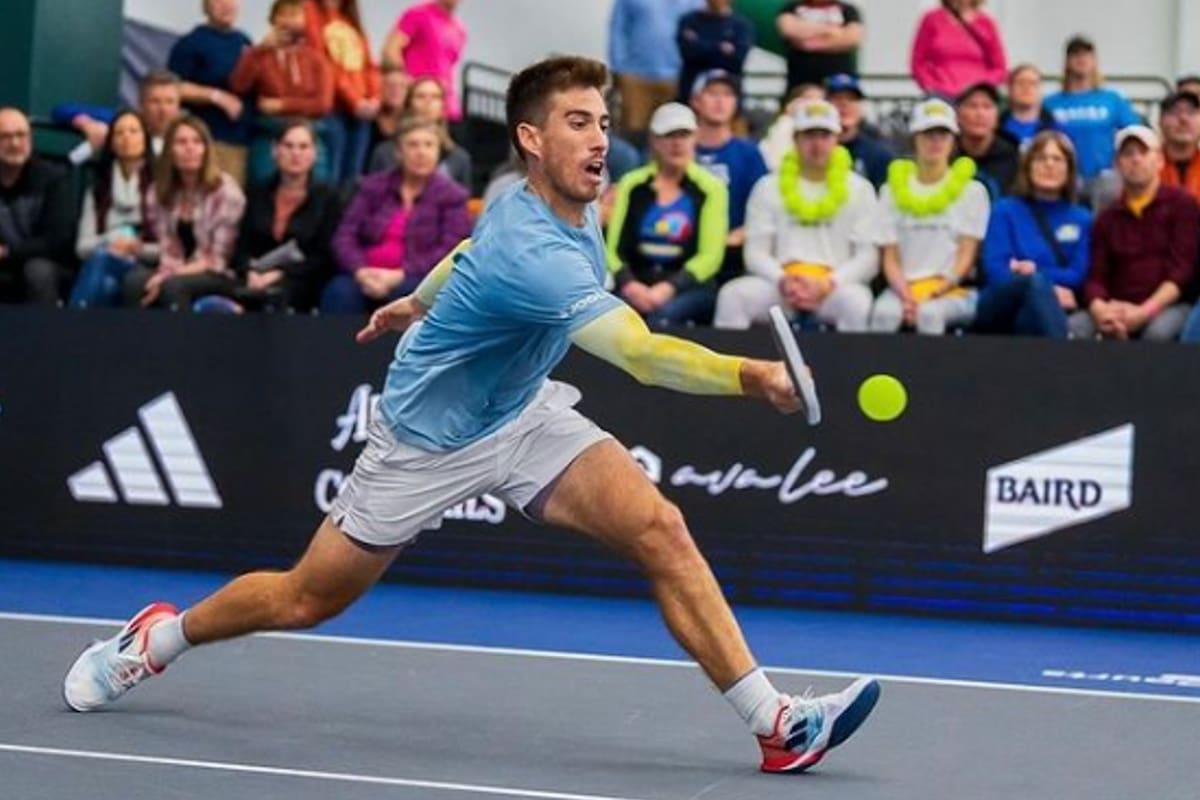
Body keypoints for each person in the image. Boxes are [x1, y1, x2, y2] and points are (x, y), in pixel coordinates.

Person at [63, 56, 880, 776]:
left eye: (603, 122)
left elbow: (466, 251)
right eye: (577, 122)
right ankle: (158, 640)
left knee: (659, 527)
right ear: (531, 138)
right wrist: (750, 375)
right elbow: (640, 355)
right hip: (425, 442)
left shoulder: (555, 202)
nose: (600, 138)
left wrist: (415, 301)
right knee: (307, 598)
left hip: (522, 412)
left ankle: (776, 725)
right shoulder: (536, 254)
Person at [714, 99, 877, 331]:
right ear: (795, 139)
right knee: (733, 296)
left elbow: (868, 257)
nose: (817, 144)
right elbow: (755, 252)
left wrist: (829, 283)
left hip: (834, 286)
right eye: (809, 135)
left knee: (857, 301)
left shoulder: (860, 189)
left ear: (837, 139)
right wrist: (783, 280)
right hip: (780, 284)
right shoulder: (768, 187)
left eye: (824, 135)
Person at [323, 117, 471, 314]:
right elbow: (345, 236)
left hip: (417, 276)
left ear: (438, 152)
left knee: (411, 294)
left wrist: (400, 275)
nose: (421, 152)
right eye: (413, 145)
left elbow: (450, 249)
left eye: (429, 145)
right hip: (365, 273)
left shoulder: (452, 196)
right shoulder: (373, 187)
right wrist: (360, 271)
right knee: (339, 292)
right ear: (399, 152)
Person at [870, 98, 990, 335]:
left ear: (953, 140)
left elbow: (966, 257)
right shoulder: (890, 191)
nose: (935, 142)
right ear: (915, 138)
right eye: (928, 134)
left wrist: (934, 293)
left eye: (942, 135)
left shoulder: (973, 191)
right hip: (902, 289)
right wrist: (907, 296)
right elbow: (890, 258)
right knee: (883, 313)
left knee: (930, 314)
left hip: (951, 290)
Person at [1070, 125, 1198, 341]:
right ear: (1117, 164)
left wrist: (1144, 312)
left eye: (1143, 152)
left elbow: (1181, 272)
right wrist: (1101, 311)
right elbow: (1095, 277)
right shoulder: (1107, 218)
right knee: (1075, 328)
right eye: (1128, 154)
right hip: (1116, 305)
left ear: (1159, 161)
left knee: (1157, 334)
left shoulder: (1183, 205)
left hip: (1168, 306)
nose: (1136, 160)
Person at [606, 102, 729, 327]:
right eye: (669, 135)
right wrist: (629, 284)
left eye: (684, 135)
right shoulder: (631, 184)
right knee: (608, 316)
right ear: (654, 140)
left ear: (695, 138)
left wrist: (668, 288)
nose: (677, 143)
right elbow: (612, 249)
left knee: (662, 318)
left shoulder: (712, 188)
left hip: (689, 286)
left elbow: (710, 257)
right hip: (636, 282)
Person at [122, 118, 247, 310]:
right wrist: (138, 250)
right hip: (175, 265)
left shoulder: (226, 192)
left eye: (197, 142)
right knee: (134, 283)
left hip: (218, 272)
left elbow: (217, 259)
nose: (190, 148)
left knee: (172, 287)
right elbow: (166, 248)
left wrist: (168, 276)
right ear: (169, 151)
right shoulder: (158, 192)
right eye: (181, 142)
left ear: (206, 149)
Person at [976, 131, 1090, 338]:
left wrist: (1037, 275)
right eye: (1041, 158)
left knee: (1033, 306)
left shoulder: (1083, 218)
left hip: (1040, 309)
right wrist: (1046, 288)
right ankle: (1063, 353)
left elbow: (1077, 274)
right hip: (1001, 303)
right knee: (1033, 284)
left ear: (1069, 169)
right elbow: (995, 269)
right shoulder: (1005, 210)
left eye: (1057, 159)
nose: (1049, 165)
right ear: (1028, 166)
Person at [231, 120, 341, 312]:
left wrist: (280, 274)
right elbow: (241, 248)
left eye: (303, 147)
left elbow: (324, 257)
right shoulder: (257, 193)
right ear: (275, 151)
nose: (295, 153)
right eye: (288, 146)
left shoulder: (328, 198)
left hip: (304, 280)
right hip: (255, 277)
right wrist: (248, 272)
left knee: (275, 296)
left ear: (314, 154)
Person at [230, 0, 335, 185]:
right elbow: (238, 86)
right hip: (269, 134)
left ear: (305, 20)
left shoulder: (317, 59)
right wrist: (259, 50)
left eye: (294, 15)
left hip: (310, 134)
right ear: (273, 20)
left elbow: (323, 104)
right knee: (262, 188)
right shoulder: (260, 55)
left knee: (317, 189)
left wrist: (282, 105)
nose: (288, 21)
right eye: (283, 15)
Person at [68, 111, 160, 309]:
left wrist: (138, 248)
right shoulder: (98, 190)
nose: (126, 137)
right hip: (104, 260)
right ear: (111, 143)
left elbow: (169, 249)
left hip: (145, 262)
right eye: (119, 133)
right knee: (107, 283)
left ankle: (72, 320)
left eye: (133, 131)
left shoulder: (161, 188)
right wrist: (111, 241)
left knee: (105, 275)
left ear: (145, 139)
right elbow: (82, 247)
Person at [690, 70, 768, 284]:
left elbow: (764, 208)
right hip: (683, 250)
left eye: (727, 94)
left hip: (732, 256)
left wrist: (741, 233)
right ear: (695, 100)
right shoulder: (676, 149)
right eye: (712, 93)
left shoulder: (750, 154)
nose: (720, 101)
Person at [168, 0, 254, 186]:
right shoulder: (190, 43)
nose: (226, 5)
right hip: (211, 143)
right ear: (206, 7)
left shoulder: (244, 41)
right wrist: (216, 97)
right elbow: (173, 88)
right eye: (219, 1)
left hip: (246, 142)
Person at [0, 108, 75, 305]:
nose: (15, 143)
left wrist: (7, 252)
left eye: (21, 135)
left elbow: (56, 239)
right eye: (5, 137)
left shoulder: (52, 178)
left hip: (46, 262)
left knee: (37, 271)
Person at [1043, 36, 1141, 185]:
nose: (1081, 59)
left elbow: (1134, 133)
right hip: (1064, 177)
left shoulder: (1112, 99)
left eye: (1086, 54)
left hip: (1104, 177)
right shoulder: (1050, 103)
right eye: (1076, 54)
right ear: (1067, 61)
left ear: (1094, 60)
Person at [304, 0, 382, 182]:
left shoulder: (350, 20)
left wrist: (375, 97)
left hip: (361, 111)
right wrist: (354, 101)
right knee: (332, 176)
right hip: (332, 108)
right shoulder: (310, 12)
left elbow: (369, 65)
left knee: (353, 178)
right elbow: (324, 64)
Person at [608, 0, 704, 142]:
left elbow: (702, 31)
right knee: (633, 135)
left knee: (672, 134)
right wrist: (620, 69)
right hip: (636, 77)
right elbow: (618, 29)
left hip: (678, 79)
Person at [367, 76, 472, 188]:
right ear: (409, 104)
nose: (428, 101)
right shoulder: (385, 152)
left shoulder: (458, 158)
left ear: (443, 107)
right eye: (421, 96)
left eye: (435, 97)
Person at [382, 0, 467, 122]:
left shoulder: (460, 30)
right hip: (416, 104)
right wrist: (406, 84)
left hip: (447, 109)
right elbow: (391, 49)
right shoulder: (418, 14)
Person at [910, 0, 1007, 100]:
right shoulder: (932, 19)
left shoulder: (986, 23)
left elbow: (999, 68)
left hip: (975, 99)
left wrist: (983, 88)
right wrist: (931, 86)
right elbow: (918, 62)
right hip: (941, 96)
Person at [675, 0, 754, 104]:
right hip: (690, 96)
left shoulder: (741, 25)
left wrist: (699, 43)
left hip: (729, 99)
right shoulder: (689, 21)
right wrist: (720, 47)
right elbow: (688, 53)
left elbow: (737, 58)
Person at [824, 73, 891, 188]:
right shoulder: (813, 152)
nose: (844, 104)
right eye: (837, 98)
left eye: (851, 99)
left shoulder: (879, 155)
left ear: (861, 107)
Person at [954, 81, 1018, 199]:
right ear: (958, 115)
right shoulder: (945, 153)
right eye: (972, 106)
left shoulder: (1013, 156)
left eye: (987, 106)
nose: (980, 113)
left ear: (997, 116)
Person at [759, 83, 826, 171]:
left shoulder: (830, 130)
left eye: (821, 100)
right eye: (809, 99)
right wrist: (787, 117)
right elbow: (776, 163)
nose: (816, 104)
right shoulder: (782, 128)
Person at [999, 64, 1058, 147]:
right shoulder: (996, 127)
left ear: (1040, 90)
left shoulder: (1056, 129)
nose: (1026, 87)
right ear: (1009, 89)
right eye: (1020, 83)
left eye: (1032, 83)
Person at [1157, 90, 1200, 204]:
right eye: (1174, 112)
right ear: (1160, 121)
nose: (1183, 119)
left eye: (1191, 112)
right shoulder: (1147, 167)